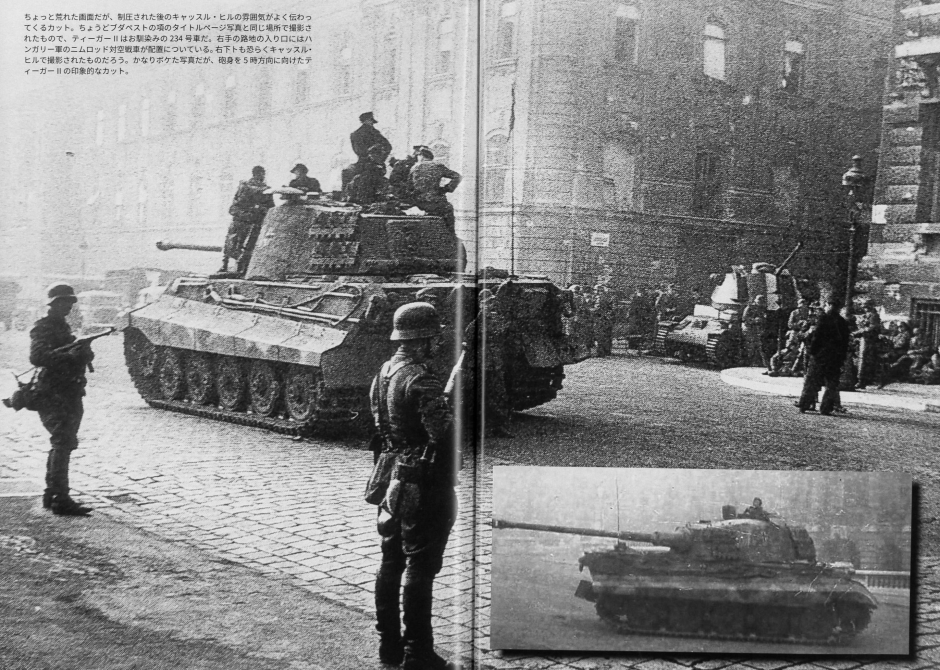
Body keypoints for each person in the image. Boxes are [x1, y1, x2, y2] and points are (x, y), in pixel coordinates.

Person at [367, 302, 461, 670]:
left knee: (391, 560)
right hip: (423, 481)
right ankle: (418, 653)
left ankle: (389, 647)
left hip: (391, 476)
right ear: (423, 340)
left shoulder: (385, 371)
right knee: (420, 565)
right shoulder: (421, 379)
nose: (437, 343)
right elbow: (442, 434)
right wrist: (449, 410)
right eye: (434, 337)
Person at [29, 284, 97, 516]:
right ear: (53, 304)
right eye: (64, 302)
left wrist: (84, 353)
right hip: (53, 393)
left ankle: (52, 493)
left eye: (70, 302)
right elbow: (37, 357)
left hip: (69, 391)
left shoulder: (62, 326)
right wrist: (70, 355)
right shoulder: (43, 327)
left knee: (63, 441)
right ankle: (61, 498)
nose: (68, 306)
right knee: (62, 441)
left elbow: (71, 354)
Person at [796, 297, 850, 415]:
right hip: (835, 357)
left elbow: (817, 337)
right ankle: (826, 408)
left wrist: (812, 352)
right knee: (831, 383)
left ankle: (804, 404)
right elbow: (845, 343)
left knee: (812, 380)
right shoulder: (842, 322)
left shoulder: (823, 319)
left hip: (820, 355)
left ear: (829, 305)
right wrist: (842, 358)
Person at [220, 166, 275, 274]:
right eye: (260, 174)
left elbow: (270, 207)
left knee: (244, 246)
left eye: (262, 174)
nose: (262, 176)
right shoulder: (247, 187)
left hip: (251, 221)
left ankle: (238, 267)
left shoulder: (264, 189)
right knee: (233, 245)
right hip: (244, 220)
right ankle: (229, 266)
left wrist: (261, 210)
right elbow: (235, 206)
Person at [409, 147, 462, 231]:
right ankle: (450, 234)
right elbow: (457, 176)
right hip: (436, 202)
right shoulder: (438, 166)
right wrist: (446, 189)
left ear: (421, 156)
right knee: (449, 209)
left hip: (419, 203)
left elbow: (409, 187)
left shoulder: (414, 168)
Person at [344, 111, 393, 190]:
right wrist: (377, 157)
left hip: (368, 162)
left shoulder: (359, 134)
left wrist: (378, 157)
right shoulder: (367, 133)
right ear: (366, 121)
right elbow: (388, 147)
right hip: (368, 163)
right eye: (371, 121)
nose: (372, 124)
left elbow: (388, 146)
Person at [852, 299, 881, 389]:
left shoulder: (874, 315)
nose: (864, 308)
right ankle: (862, 380)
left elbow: (871, 327)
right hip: (865, 339)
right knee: (862, 360)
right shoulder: (868, 315)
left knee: (864, 360)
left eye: (866, 306)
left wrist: (858, 332)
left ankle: (862, 381)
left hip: (869, 340)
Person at [741, 294, 769, 368]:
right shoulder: (749, 308)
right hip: (749, 327)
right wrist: (754, 320)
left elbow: (764, 319)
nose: (760, 303)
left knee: (758, 346)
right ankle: (749, 362)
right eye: (759, 301)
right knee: (750, 345)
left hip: (757, 329)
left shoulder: (762, 309)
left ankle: (758, 362)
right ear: (756, 301)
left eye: (762, 301)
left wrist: (762, 321)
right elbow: (744, 318)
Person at [592, 284, 615, 358]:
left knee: (600, 336)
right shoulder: (609, 297)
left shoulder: (599, 298)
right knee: (607, 335)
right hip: (608, 319)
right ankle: (607, 351)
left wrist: (590, 310)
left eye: (595, 290)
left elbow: (597, 309)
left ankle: (601, 352)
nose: (594, 291)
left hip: (600, 319)